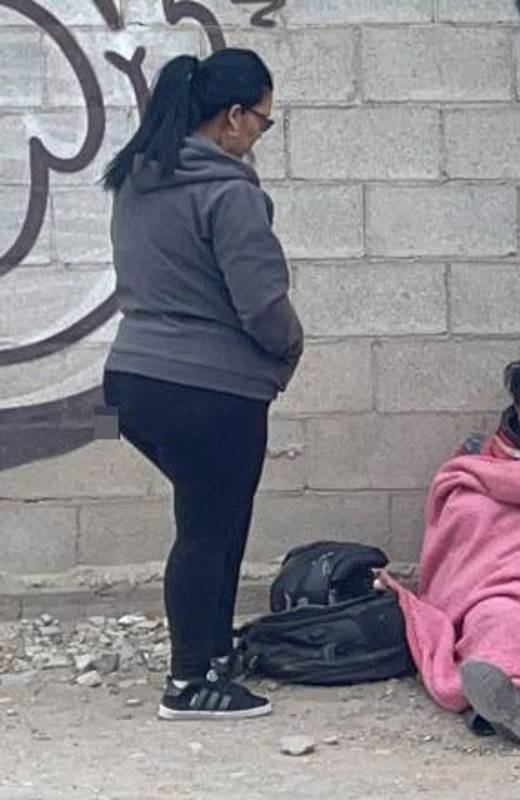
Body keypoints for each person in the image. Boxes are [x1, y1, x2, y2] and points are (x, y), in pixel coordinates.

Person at [101, 49, 303, 720]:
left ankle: (215, 655)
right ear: (235, 117)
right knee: (209, 527)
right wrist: (288, 351)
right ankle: (189, 681)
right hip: (210, 388)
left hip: (135, 379)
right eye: (264, 123)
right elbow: (261, 304)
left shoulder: (137, 177)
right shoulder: (230, 192)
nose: (260, 138)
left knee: (209, 516)